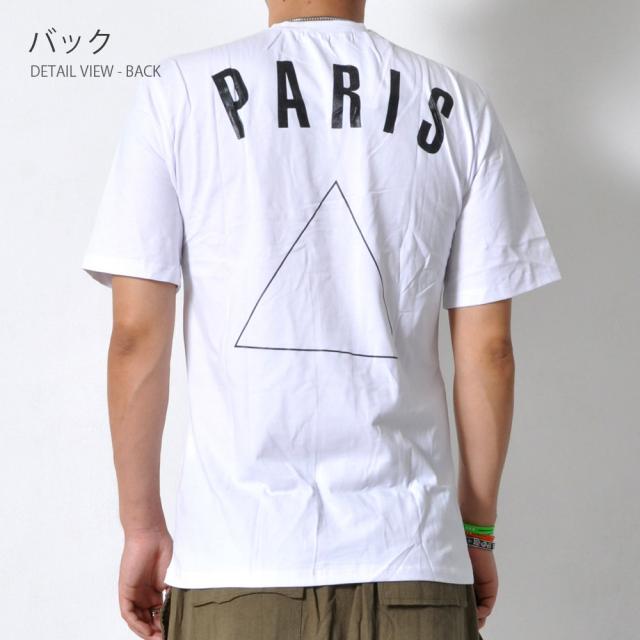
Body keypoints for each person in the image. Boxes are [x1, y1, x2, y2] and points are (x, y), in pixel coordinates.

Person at [81, 1, 562, 638]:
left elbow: (136, 338)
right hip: (411, 557)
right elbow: (490, 352)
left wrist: (142, 527)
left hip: (236, 562)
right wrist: (475, 532)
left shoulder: (178, 92)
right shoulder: (459, 104)